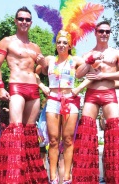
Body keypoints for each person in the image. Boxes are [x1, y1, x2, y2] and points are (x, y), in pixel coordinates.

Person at [0, 6, 48, 183]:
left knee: (30, 133)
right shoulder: (7, 41)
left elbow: (44, 71)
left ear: (31, 22)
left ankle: (30, 178)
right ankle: (14, 177)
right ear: (16, 21)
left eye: (27, 19)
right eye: (21, 19)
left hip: (33, 89)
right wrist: (1, 87)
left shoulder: (35, 46)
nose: (24, 22)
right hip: (16, 86)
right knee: (16, 129)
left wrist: (43, 62)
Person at [72, 21, 119, 183]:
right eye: (101, 31)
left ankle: (116, 177)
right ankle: (85, 178)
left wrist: (103, 76)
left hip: (109, 94)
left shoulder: (117, 53)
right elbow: (78, 74)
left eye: (107, 31)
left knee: (115, 134)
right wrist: (90, 60)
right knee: (86, 135)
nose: (104, 34)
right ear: (95, 33)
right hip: (92, 95)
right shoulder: (88, 54)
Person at [38, 30, 83, 183]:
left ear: (69, 45)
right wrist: (42, 86)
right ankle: (53, 177)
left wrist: (79, 88)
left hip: (70, 101)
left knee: (69, 140)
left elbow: (94, 70)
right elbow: (33, 71)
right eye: (59, 42)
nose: (62, 45)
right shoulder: (50, 59)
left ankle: (67, 177)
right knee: (53, 140)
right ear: (56, 45)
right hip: (52, 101)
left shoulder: (75, 60)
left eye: (65, 42)